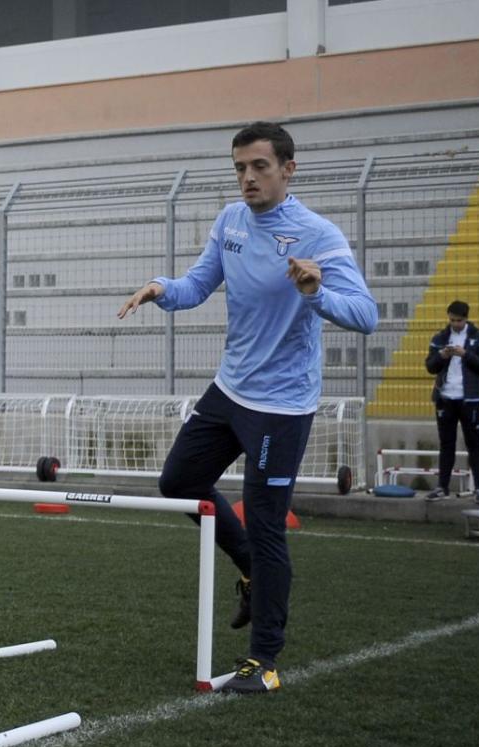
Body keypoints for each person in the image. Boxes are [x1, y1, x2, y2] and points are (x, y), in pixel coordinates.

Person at [118, 121, 377, 694]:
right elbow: (197, 285)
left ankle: (264, 663)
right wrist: (162, 288)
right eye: (240, 168)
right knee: (180, 481)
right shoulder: (230, 221)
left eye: (259, 166)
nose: (247, 178)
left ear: (289, 168)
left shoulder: (318, 235)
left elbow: (366, 315)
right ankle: (251, 574)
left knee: (265, 524)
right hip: (229, 389)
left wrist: (317, 292)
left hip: (281, 407)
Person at [423, 300, 479, 504]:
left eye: (459, 321)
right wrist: (442, 356)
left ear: (466, 318)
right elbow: (430, 366)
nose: (455, 324)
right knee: (446, 444)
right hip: (445, 398)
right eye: (452, 320)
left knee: (474, 443)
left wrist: (465, 354)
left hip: (470, 399)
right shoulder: (440, 338)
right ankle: (442, 487)